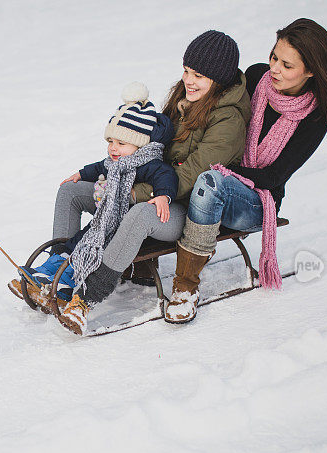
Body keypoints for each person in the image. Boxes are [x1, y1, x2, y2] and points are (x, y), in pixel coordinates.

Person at [33, 30, 252, 335]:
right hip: (147, 188)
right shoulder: (183, 98)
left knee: (139, 214)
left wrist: (132, 192)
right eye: (186, 70)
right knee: (71, 192)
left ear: (220, 79)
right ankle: (58, 270)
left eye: (198, 75)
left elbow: (189, 174)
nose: (188, 79)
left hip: (183, 210)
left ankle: (87, 296)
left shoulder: (228, 121)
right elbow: (151, 145)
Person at [164, 18, 327, 323]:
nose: (275, 69)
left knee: (211, 181)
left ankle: (186, 287)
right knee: (195, 178)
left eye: (287, 65)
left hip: (256, 202)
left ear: (310, 71)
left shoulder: (314, 118)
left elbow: (274, 176)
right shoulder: (254, 77)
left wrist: (222, 166)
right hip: (210, 175)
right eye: (273, 57)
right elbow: (213, 105)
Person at [8, 82, 178, 314]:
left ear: (139, 145)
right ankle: (49, 271)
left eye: (121, 143)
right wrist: (81, 173)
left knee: (90, 246)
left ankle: (66, 282)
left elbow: (165, 175)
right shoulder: (115, 162)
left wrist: (162, 196)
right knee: (81, 239)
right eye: (110, 142)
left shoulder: (148, 163)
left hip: (123, 226)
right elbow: (100, 166)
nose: (113, 149)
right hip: (107, 220)